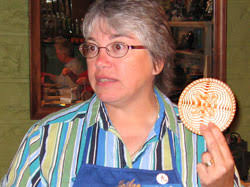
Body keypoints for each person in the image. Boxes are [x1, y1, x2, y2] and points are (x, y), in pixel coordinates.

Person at [1, 0, 241, 186]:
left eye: (118, 46)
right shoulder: (46, 139)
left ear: (157, 61)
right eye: (93, 47)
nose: (100, 61)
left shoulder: (201, 142)